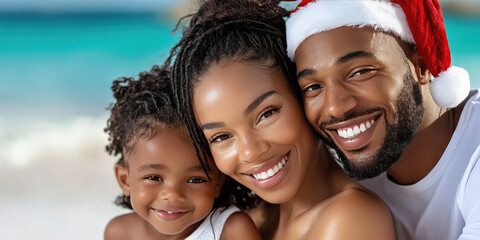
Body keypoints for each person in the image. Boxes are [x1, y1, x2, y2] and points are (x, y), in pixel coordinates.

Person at [169, 0, 396, 239]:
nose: (250, 152)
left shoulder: (351, 219)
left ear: (302, 93)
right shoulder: (249, 217)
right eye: (222, 137)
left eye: (266, 114)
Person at [285, 0, 479, 239]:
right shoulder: (338, 162)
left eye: (360, 72)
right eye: (313, 87)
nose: (335, 107)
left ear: (422, 65)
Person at [103, 64, 261, 240]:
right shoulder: (120, 232)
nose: (173, 194)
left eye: (195, 180)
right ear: (125, 180)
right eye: (154, 177)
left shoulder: (231, 230)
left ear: (218, 184)